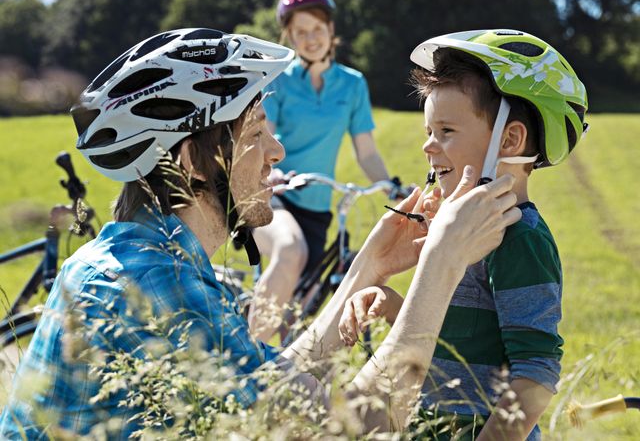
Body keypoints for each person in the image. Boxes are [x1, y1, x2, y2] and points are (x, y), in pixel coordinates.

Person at [0, 28, 522, 438]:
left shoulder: (139, 260)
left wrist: (370, 267)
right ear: (193, 162)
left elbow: (264, 391)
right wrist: (442, 264)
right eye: (254, 134)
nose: (276, 151)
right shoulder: (154, 288)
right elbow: (349, 428)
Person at [338, 29, 589, 440]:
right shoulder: (458, 230)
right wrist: (389, 303)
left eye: (446, 131)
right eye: (428, 132)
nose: (428, 147)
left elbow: (535, 374)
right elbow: (456, 332)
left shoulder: (520, 240)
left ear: (510, 140)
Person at [249, 0, 394, 342]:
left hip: (317, 209)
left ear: (331, 30)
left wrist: (393, 187)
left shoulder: (352, 85)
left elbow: (367, 152)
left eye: (317, 29)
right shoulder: (279, 80)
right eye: (300, 32)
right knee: (289, 249)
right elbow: (263, 137)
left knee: (299, 323)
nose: (310, 39)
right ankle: (242, 362)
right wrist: (274, 170)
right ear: (289, 35)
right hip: (274, 196)